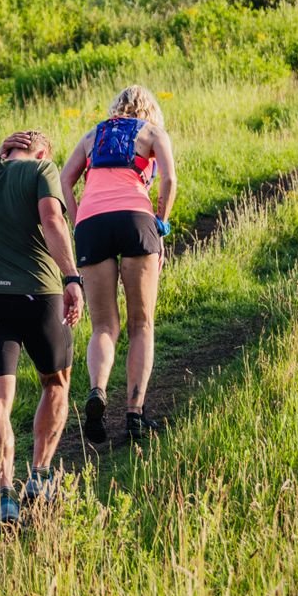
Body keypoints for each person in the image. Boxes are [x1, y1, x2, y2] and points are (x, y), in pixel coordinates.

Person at [0, 130, 84, 524]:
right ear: (42, 152)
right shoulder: (42, 170)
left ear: (4, 150)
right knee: (56, 383)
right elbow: (51, 219)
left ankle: (4, 493)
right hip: (41, 296)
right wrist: (71, 278)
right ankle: (41, 475)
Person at [59, 85, 178, 443]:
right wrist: (160, 222)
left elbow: (65, 179)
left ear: (117, 108)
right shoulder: (153, 133)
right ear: (149, 110)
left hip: (92, 224)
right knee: (141, 323)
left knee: (104, 326)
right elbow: (169, 180)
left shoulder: (93, 133)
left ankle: (97, 390)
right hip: (135, 219)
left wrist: (78, 218)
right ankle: (134, 414)